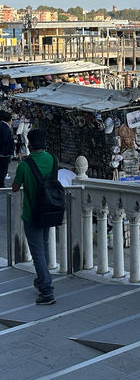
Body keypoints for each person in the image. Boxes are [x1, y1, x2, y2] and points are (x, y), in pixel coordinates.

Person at [11, 129, 57, 305]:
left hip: (32, 213)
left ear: (30, 144)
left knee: (37, 252)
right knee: (43, 247)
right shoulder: (53, 159)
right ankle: (41, 280)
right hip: (49, 210)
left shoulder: (24, 165)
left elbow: (15, 187)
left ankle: (46, 290)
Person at [0, 110, 13, 187]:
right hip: (3, 154)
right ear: (10, 120)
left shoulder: (2, 126)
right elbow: (4, 141)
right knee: (2, 171)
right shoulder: (5, 128)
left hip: (3, 153)